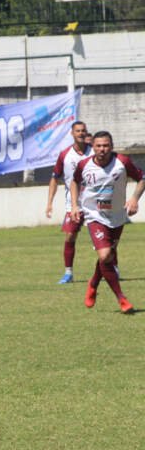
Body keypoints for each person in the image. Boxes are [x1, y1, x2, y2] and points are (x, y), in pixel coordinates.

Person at [70, 131, 145, 314]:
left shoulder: (123, 162)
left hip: (117, 216)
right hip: (94, 215)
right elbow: (74, 182)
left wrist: (135, 199)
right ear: (93, 147)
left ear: (111, 146)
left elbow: (142, 178)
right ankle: (121, 298)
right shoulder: (84, 165)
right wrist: (74, 205)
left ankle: (94, 282)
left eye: (106, 145)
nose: (102, 149)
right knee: (105, 255)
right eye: (98, 146)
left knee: (108, 255)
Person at [45, 121, 91, 284]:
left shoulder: (95, 152)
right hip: (72, 204)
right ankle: (68, 273)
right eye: (77, 131)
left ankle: (112, 268)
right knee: (70, 236)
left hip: (94, 203)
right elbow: (54, 178)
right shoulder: (65, 155)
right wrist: (49, 202)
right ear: (72, 133)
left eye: (83, 130)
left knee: (105, 236)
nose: (81, 133)